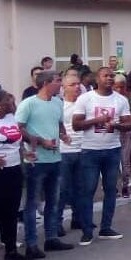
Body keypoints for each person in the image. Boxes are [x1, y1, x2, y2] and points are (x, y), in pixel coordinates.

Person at [16, 70, 74, 258]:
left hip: (55, 158)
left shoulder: (57, 102)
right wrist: (40, 141)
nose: (61, 85)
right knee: (32, 203)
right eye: (58, 81)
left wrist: (63, 134)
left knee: (53, 201)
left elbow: (58, 124)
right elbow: (18, 129)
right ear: (46, 83)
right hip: (36, 160)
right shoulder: (28, 104)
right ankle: (31, 243)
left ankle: (51, 238)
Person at [72, 67, 131, 244]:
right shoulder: (86, 98)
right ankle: (87, 230)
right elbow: (76, 124)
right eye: (106, 76)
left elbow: (129, 124)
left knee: (110, 189)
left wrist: (115, 126)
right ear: (97, 79)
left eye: (111, 76)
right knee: (88, 190)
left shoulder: (120, 100)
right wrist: (95, 121)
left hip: (112, 149)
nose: (109, 79)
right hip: (90, 150)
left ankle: (106, 227)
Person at [0, 85, 31, 260]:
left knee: (10, 212)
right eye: (7, 99)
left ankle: (11, 252)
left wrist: (24, 154)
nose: (11, 102)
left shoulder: (10, 118)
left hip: (13, 170)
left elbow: (17, 141)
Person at [57, 73, 85, 236]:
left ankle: (78, 218)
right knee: (62, 189)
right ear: (63, 88)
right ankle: (57, 222)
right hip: (64, 151)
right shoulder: (58, 105)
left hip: (83, 149)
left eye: (78, 84)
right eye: (72, 85)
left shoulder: (85, 104)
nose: (77, 87)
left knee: (81, 188)